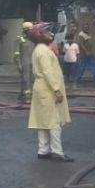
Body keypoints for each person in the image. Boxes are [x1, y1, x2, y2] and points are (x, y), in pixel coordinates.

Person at [27, 24, 73, 162]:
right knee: (54, 121)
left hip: (41, 88)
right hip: (47, 89)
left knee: (43, 120)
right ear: (39, 35)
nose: (50, 33)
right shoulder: (43, 51)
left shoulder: (40, 49)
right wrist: (56, 90)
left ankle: (43, 150)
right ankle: (57, 152)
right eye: (46, 31)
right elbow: (48, 72)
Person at [16, 21, 35, 103]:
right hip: (24, 62)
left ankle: (25, 94)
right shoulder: (20, 39)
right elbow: (16, 53)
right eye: (30, 30)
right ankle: (27, 97)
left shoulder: (34, 39)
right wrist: (19, 64)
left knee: (33, 80)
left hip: (33, 62)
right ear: (25, 30)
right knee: (26, 80)